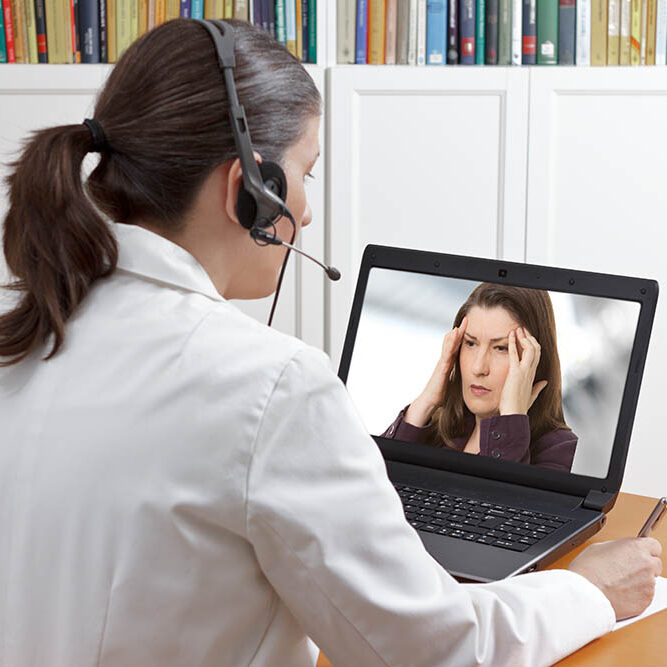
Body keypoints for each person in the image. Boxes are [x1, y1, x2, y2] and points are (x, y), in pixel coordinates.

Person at [0, 18, 662, 667]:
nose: (307, 212)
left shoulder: (27, 334)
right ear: (249, 191)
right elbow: (435, 647)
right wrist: (592, 589)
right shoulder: (268, 386)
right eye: (304, 174)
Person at [382, 283, 578, 472]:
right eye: (470, 343)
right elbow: (372, 488)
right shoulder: (436, 426)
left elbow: (501, 503)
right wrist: (425, 402)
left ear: (534, 360)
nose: (478, 367)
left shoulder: (559, 450)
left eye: (501, 348)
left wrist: (511, 417)